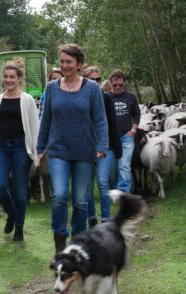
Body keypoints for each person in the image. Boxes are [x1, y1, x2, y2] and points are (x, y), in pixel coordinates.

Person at [37, 44, 108, 256]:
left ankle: (78, 242)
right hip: (58, 150)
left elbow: (100, 120)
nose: (65, 65)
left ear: (79, 64)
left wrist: (102, 146)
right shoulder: (51, 87)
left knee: (80, 200)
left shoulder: (92, 89)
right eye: (62, 62)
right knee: (59, 195)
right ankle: (60, 240)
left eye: (69, 62)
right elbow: (45, 120)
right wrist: (41, 148)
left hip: (85, 151)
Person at [0, 63, 39, 241]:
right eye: (6, 77)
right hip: (1, 147)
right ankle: (12, 214)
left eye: (12, 77)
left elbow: (34, 127)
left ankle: (19, 229)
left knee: (19, 190)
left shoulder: (28, 100)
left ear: (20, 79)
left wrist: (37, 153)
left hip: (21, 148)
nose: (8, 80)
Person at [82, 66, 122, 228]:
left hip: (105, 147)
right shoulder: (80, 97)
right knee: (87, 185)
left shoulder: (106, 98)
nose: (96, 82)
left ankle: (105, 220)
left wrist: (117, 148)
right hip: (85, 147)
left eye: (98, 79)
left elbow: (113, 124)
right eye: (92, 79)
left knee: (103, 181)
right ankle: (92, 216)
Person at [108, 69, 140, 192]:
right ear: (110, 83)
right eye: (115, 85)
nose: (118, 87)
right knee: (111, 169)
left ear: (124, 83)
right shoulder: (105, 97)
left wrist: (133, 130)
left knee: (124, 165)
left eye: (120, 85)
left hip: (126, 137)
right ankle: (113, 190)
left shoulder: (131, 97)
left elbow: (137, 114)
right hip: (110, 139)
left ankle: (124, 193)